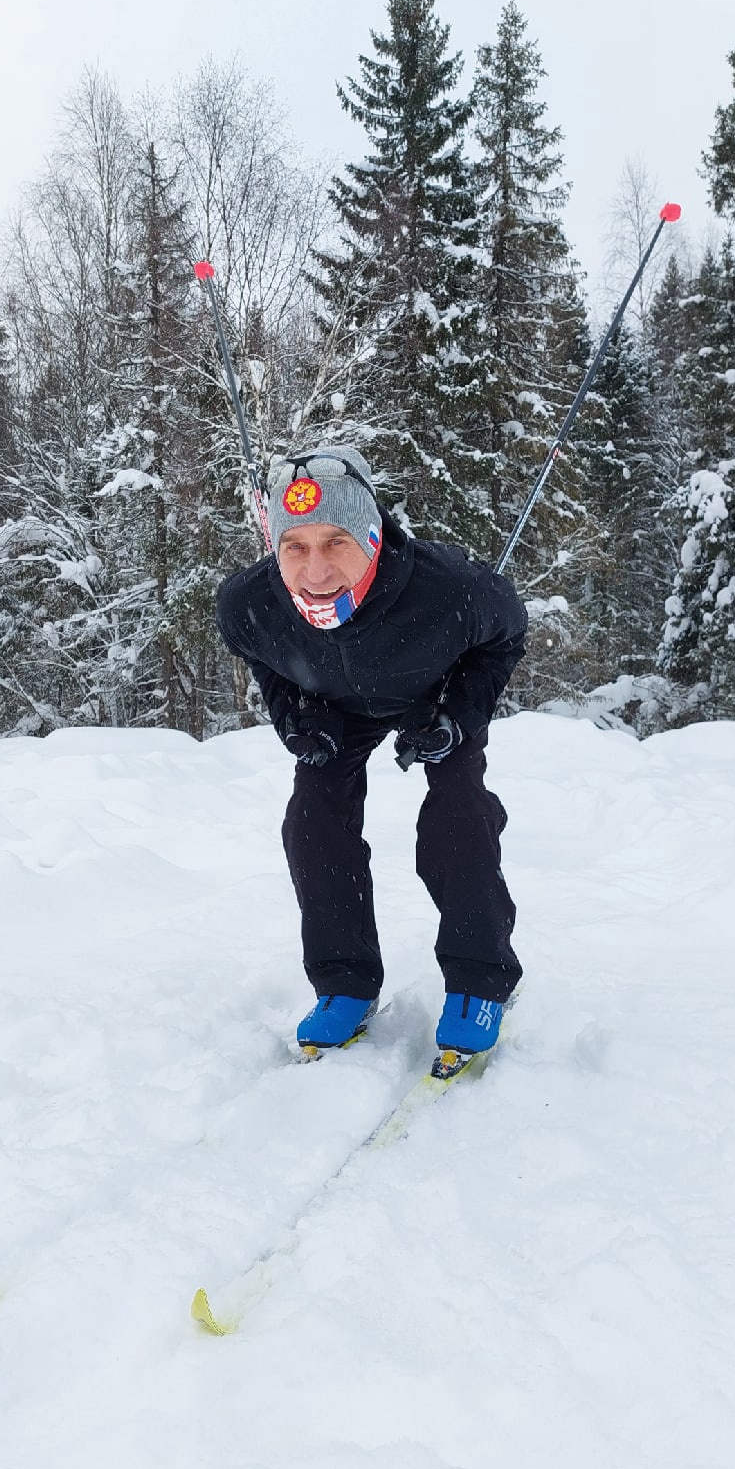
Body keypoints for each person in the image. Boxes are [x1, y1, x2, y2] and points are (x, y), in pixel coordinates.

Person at [216, 448, 527, 1069]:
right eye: (295, 546)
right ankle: (345, 982)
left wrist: (457, 717)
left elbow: (505, 636)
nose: (315, 568)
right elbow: (263, 658)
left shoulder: (452, 589)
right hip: (334, 708)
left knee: (456, 817)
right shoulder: (249, 602)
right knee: (312, 822)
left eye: (335, 542)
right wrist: (297, 722)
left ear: (373, 534)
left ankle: (479, 979)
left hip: (432, 697)